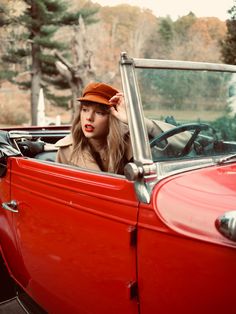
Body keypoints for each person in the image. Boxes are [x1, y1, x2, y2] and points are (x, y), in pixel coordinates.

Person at [55, 82, 189, 174]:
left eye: (99, 112)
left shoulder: (131, 139)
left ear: (112, 117)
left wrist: (133, 120)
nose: (89, 117)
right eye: (85, 110)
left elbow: (183, 144)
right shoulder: (67, 149)